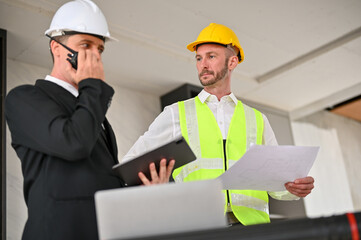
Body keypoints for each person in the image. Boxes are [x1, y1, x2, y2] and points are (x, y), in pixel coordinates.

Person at [5, 1, 174, 239]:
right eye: (85, 45)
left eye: (99, 49)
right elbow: (73, 143)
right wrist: (93, 86)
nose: (94, 56)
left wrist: (145, 192)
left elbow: (102, 187)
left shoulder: (95, 114)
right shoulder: (24, 98)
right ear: (56, 47)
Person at [122, 23, 314, 226]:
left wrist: (294, 189)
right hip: (200, 228)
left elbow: (277, 184)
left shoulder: (257, 120)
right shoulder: (175, 113)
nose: (203, 64)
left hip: (254, 229)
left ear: (232, 62)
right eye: (198, 58)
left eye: (211, 56)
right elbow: (130, 167)